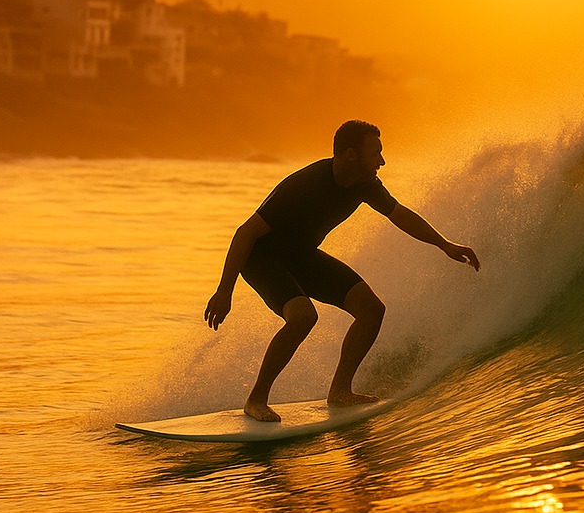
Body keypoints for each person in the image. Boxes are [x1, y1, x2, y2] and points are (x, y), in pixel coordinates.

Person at [204, 120, 481, 422]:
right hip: (263, 258)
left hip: (302, 257)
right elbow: (246, 233)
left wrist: (444, 245)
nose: (382, 161)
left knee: (371, 309)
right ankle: (256, 400)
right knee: (303, 317)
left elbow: (399, 214)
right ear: (351, 155)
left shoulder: (365, 186)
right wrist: (224, 291)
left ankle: (340, 391)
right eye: (375, 153)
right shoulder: (304, 184)